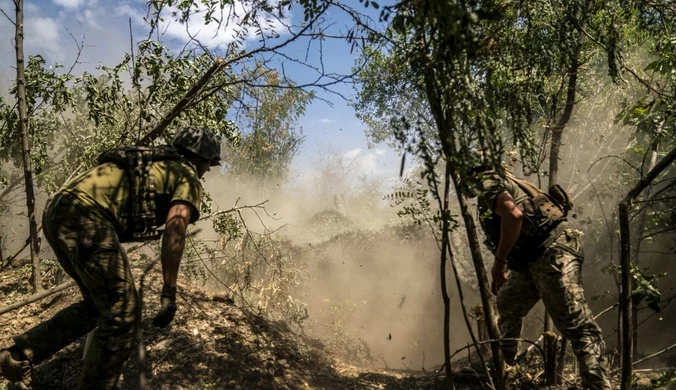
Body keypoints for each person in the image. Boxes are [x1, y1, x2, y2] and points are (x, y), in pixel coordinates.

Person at [0, 126, 221, 389]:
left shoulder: (155, 161)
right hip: (86, 220)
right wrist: (169, 292)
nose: (207, 171)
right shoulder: (186, 174)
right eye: (208, 164)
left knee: (98, 305)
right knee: (124, 312)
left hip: (58, 213)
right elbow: (175, 230)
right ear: (199, 159)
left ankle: (17, 357)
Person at [470, 162, 612, 390]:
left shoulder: (487, 182)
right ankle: (504, 369)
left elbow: (514, 216)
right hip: (536, 257)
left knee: (577, 325)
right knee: (508, 301)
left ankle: (598, 385)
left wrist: (500, 262)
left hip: (552, 252)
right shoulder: (507, 181)